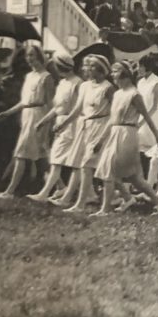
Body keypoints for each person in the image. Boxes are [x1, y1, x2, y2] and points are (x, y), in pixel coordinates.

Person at [92, 60, 158, 216]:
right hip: (115, 133)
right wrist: (100, 140)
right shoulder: (118, 93)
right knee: (133, 178)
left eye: (115, 71)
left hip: (128, 135)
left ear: (124, 73)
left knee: (111, 171)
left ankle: (105, 209)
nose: (112, 74)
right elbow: (112, 120)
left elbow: (147, 118)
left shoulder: (134, 94)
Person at [0, 44, 55, 198]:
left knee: (22, 153)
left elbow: (50, 103)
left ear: (40, 57)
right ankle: (60, 186)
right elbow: (24, 101)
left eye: (32, 56)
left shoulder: (46, 77)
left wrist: (47, 123)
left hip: (39, 115)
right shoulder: (29, 76)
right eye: (28, 56)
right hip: (27, 115)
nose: (29, 59)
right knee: (41, 156)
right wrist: (8, 113)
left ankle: (9, 190)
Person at [57, 55, 114, 212]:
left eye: (91, 67)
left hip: (101, 127)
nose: (87, 69)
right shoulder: (85, 86)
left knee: (90, 166)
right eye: (87, 66)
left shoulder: (108, 88)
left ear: (101, 70)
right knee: (86, 166)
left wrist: (102, 140)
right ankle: (120, 197)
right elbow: (77, 110)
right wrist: (63, 124)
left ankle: (81, 204)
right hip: (86, 127)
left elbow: (114, 114)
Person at [31, 53, 82, 203]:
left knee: (60, 159)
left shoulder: (77, 83)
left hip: (72, 124)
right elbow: (57, 107)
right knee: (62, 159)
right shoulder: (62, 83)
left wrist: (65, 123)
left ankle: (45, 193)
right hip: (61, 123)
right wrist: (43, 121)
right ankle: (86, 193)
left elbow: (78, 108)